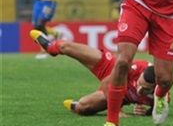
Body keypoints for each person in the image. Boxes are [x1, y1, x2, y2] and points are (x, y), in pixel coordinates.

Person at [30, 30, 161, 117]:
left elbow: (156, 111)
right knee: (66, 47)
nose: (139, 89)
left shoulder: (160, 96)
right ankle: (50, 48)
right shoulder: (138, 67)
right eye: (139, 84)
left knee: (83, 107)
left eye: (144, 90)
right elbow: (106, 82)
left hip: (119, 95)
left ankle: (74, 104)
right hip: (111, 68)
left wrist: (145, 112)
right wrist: (116, 111)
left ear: (155, 87)